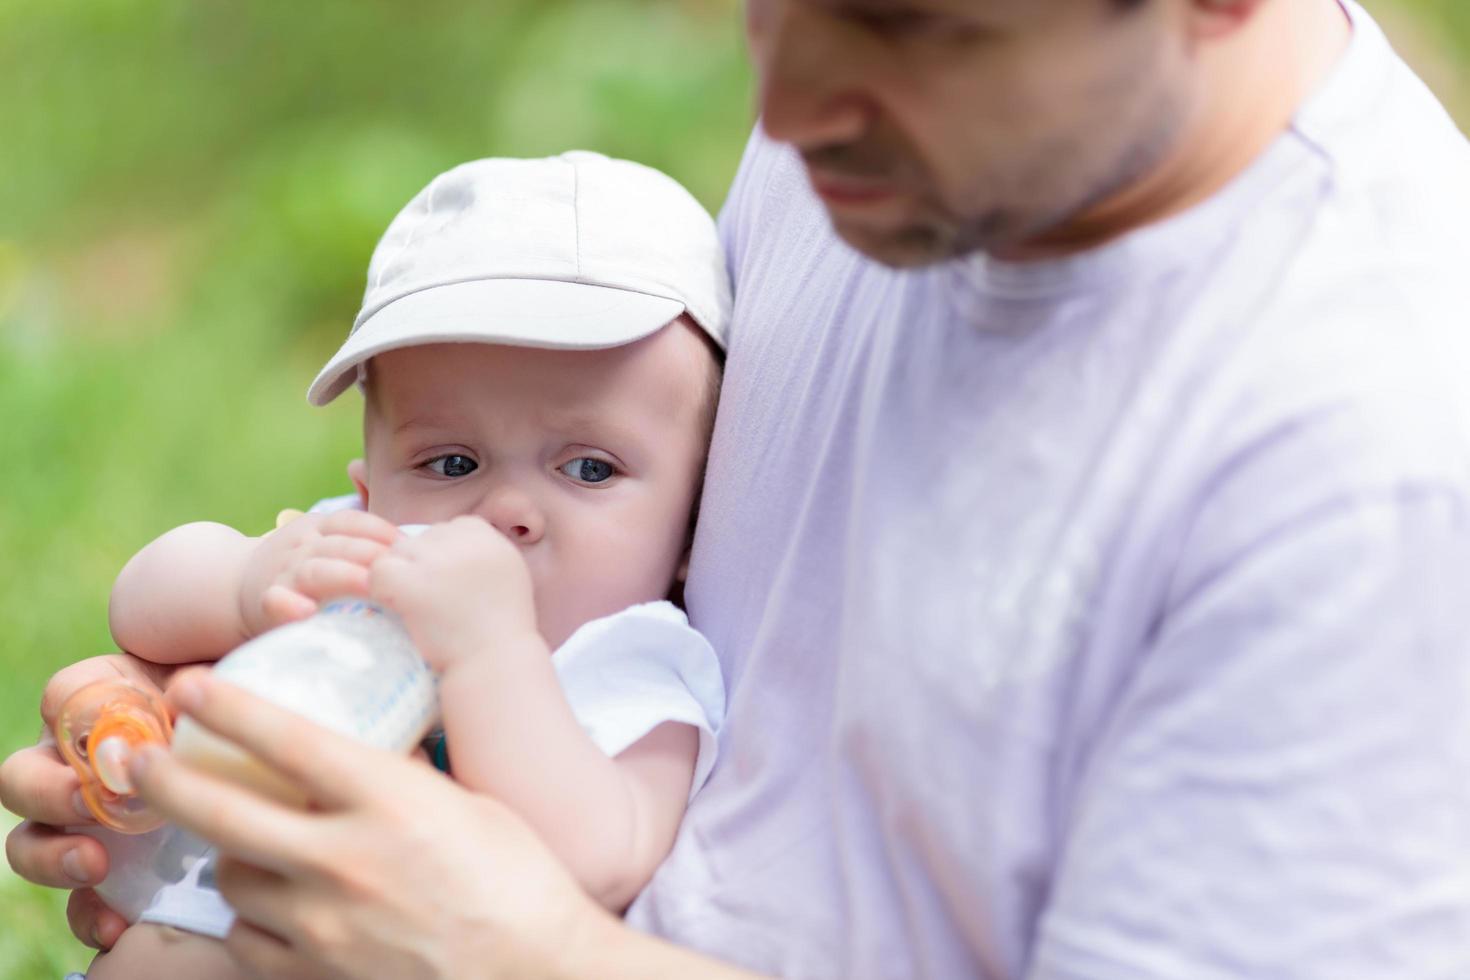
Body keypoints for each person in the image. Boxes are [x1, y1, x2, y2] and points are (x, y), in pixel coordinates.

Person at [8, 0, 1470, 976]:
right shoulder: (889, 152)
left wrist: (518, 952)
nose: (785, 101)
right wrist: (248, 710)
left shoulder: (1371, 468)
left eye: (909, 21)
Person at [50, 150, 733, 979]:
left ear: (693, 531)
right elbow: (141, 606)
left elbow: (600, 856)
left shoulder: (632, 665)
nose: (505, 510)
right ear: (371, 489)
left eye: (589, 468)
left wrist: (489, 653)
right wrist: (244, 583)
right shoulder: (363, 558)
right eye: (451, 463)